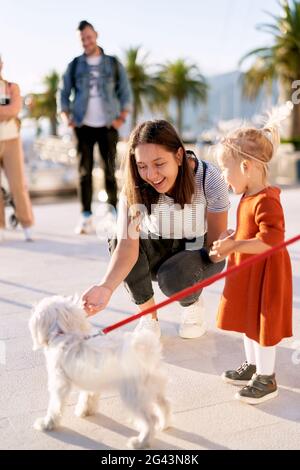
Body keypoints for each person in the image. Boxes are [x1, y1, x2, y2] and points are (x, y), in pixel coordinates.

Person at [82, 120, 230, 339]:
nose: (151, 175)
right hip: (156, 245)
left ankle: (192, 303)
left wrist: (229, 246)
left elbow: (214, 248)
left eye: (159, 163)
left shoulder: (209, 178)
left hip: (196, 247)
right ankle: (149, 317)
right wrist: (106, 287)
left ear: (179, 156)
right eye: (142, 166)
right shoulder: (135, 186)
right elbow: (126, 246)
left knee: (175, 276)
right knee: (116, 238)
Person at [210, 105, 293, 404]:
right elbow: (248, 232)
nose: (223, 175)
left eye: (225, 168)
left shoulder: (268, 200)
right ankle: (254, 367)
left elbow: (270, 241)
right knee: (248, 320)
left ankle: (267, 378)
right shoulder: (248, 196)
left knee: (262, 323)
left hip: (266, 273)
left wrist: (234, 246)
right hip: (248, 269)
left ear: (246, 167)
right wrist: (231, 238)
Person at [59, 20, 132, 234]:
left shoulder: (112, 63)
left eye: (89, 37)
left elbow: (125, 92)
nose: (86, 41)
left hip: (108, 125)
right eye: (82, 39)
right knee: (84, 172)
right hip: (82, 125)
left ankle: (113, 212)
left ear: (96, 35)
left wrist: (121, 118)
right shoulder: (74, 65)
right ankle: (85, 216)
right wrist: (66, 116)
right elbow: (63, 92)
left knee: (110, 169)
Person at [0, 55, 34, 242]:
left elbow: (14, 109)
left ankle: (27, 224)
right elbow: (7, 111)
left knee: (18, 185)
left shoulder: (12, 87)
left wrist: (5, 112)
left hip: (12, 140)